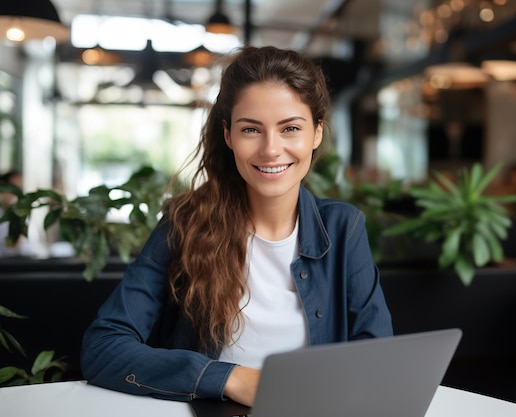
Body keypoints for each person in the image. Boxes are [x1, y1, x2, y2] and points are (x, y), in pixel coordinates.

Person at [80, 46, 393, 406]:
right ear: (228, 135)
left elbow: (379, 360)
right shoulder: (185, 224)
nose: (271, 149)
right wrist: (231, 378)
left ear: (317, 133)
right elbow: (103, 348)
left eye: (290, 128)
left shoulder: (344, 228)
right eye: (251, 130)